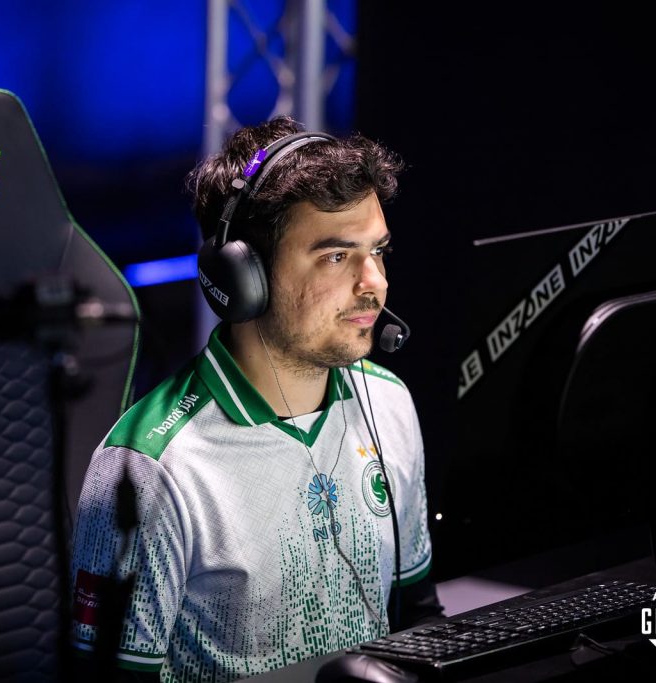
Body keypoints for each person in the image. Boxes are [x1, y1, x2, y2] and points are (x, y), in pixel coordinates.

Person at [70, 116, 443, 682]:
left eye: (378, 251)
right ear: (244, 277)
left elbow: (419, 617)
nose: (375, 283)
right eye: (337, 256)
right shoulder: (150, 469)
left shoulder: (388, 402)